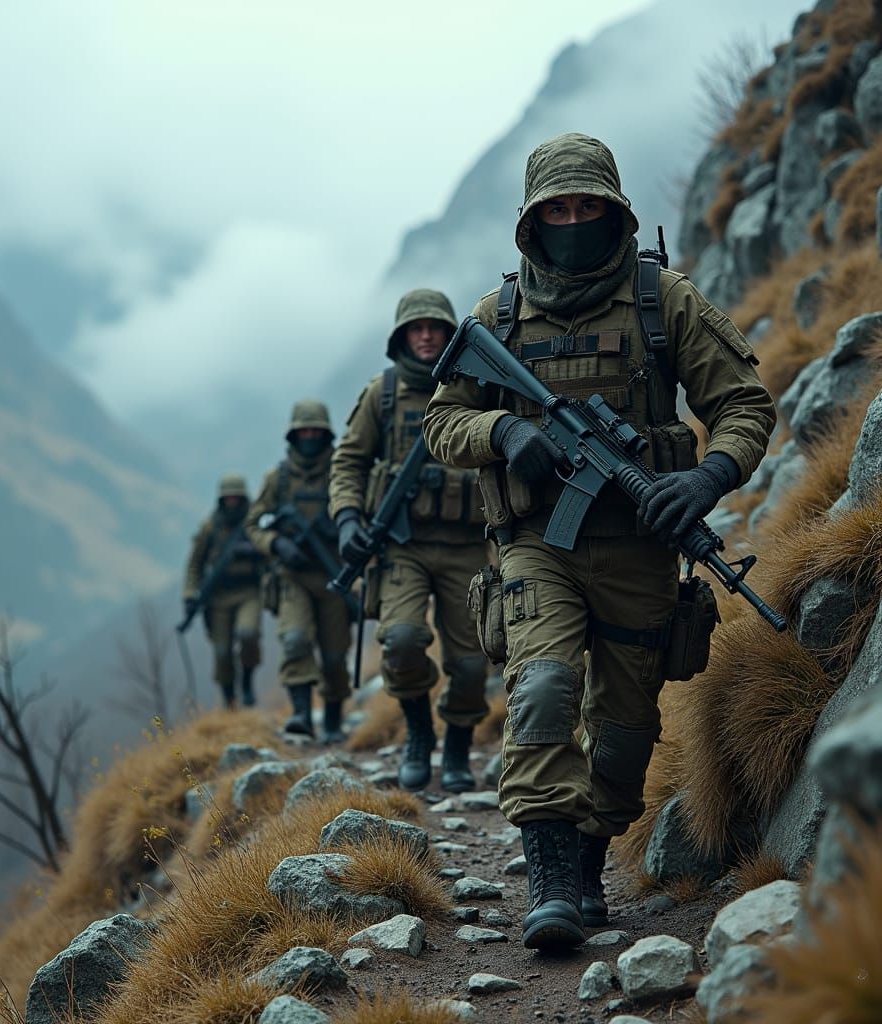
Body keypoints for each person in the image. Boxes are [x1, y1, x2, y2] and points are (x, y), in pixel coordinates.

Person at [422, 133, 776, 950]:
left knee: (623, 734)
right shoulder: (496, 318)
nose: (572, 221)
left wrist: (706, 477)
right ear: (533, 221)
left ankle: (586, 871)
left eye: (587, 207)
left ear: (614, 212)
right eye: (557, 209)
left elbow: (747, 405)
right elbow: (442, 422)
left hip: (641, 553)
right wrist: (504, 429)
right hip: (537, 546)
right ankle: (546, 880)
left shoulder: (664, 301)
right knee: (544, 688)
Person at [329, 288, 490, 792]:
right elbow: (349, 461)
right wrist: (348, 519)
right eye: (416, 329)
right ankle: (420, 732)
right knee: (400, 641)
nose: (426, 336)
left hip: (469, 545)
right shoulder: (386, 393)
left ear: (449, 333)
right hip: (403, 544)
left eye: (435, 328)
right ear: (401, 337)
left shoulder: (480, 386)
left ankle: (459, 744)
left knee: (469, 662)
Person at [247, 399, 351, 742]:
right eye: (303, 430)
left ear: (326, 434)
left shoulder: (343, 470)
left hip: (335, 576)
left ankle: (333, 719)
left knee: (335, 657)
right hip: (292, 577)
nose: (309, 436)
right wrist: (277, 544)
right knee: (294, 641)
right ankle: (302, 715)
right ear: (293, 435)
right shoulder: (277, 478)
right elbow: (254, 524)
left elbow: (362, 513)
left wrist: (341, 529)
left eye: (315, 431)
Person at [182, 473, 264, 708]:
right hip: (218, 598)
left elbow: (270, 549)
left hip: (249, 591)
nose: (232, 503)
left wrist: (253, 550)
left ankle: (247, 682)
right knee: (222, 652)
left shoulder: (252, 523)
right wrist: (190, 595)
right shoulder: (211, 528)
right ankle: (230, 701)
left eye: (236, 498)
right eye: (228, 498)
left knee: (248, 634)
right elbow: (195, 564)